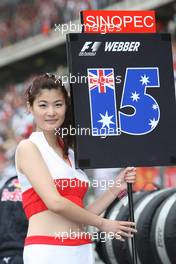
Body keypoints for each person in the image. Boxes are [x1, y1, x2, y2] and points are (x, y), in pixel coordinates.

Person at [15, 73, 137, 264]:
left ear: (66, 107)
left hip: (81, 250)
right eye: (43, 105)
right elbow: (55, 203)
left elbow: (81, 213)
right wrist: (104, 224)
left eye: (58, 104)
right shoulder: (28, 148)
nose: (51, 112)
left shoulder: (70, 153)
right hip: (48, 251)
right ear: (30, 108)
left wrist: (116, 187)